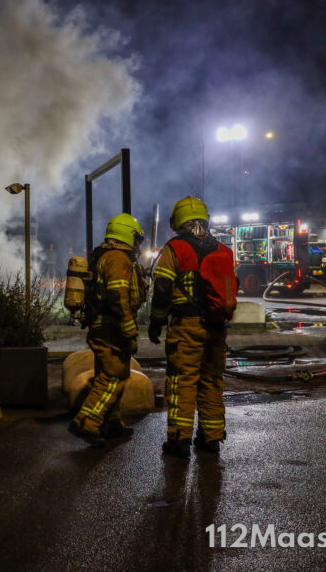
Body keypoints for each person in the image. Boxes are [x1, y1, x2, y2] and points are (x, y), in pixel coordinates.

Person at [148, 196, 237, 459]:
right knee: (211, 381)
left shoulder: (176, 249)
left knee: (182, 381)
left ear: (177, 221)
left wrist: (156, 320)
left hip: (187, 327)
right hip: (217, 327)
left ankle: (179, 440)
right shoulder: (223, 249)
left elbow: (163, 288)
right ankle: (210, 438)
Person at [68, 213, 147, 447]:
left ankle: (112, 424)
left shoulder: (104, 256)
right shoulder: (117, 258)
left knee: (109, 373)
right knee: (114, 377)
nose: (137, 244)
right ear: (127, 234)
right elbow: (117, 296)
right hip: (112, 327)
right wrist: (130, 330)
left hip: (102, 325)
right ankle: (86, 422)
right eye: (136, 238)